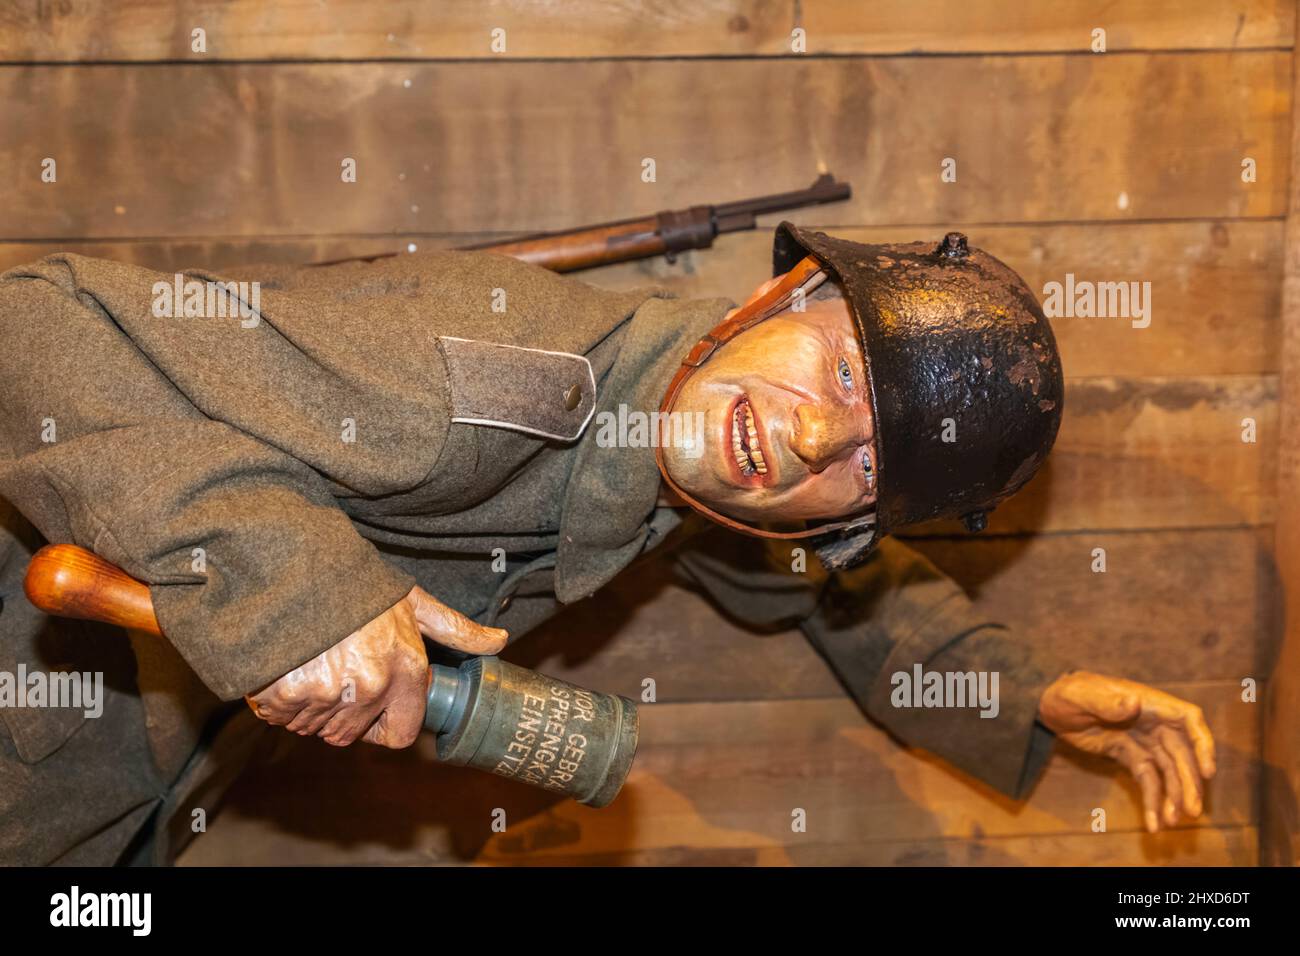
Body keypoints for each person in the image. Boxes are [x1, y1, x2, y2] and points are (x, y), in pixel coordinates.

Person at [0, 223, 1214, 864]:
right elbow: (33, 324)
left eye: (864, 465)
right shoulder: (475, 396)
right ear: (776, 297)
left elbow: (832, 587)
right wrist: (297, 582)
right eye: (841, 369)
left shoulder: (692, 437)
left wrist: (1016, 691)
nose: (802, 437)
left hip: (136, 788)